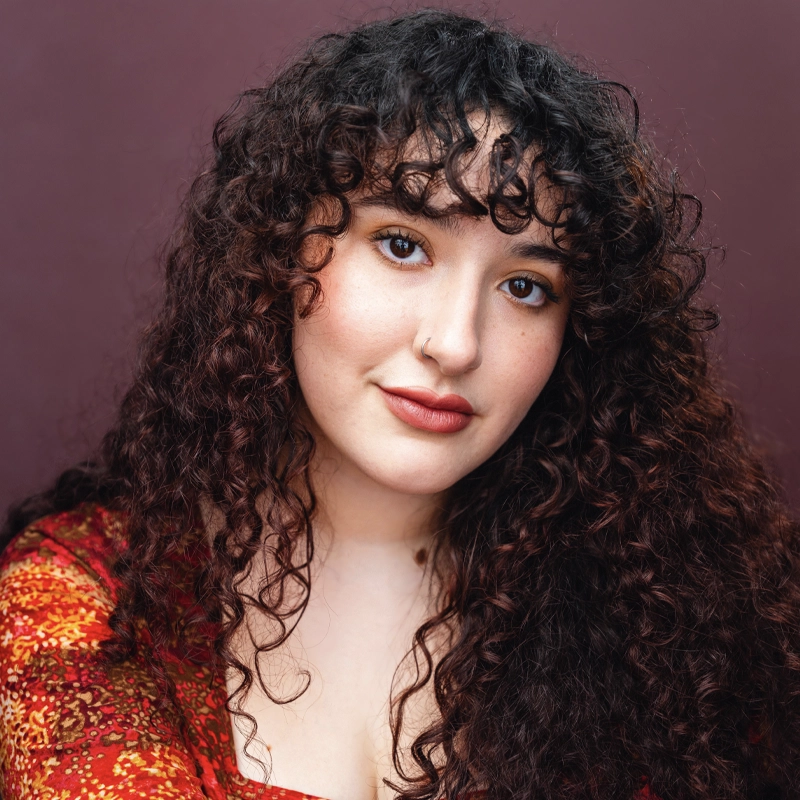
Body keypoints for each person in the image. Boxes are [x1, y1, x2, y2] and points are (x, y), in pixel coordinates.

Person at [0, 9, 797, 800]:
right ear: (282, 252)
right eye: (403, 244)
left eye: (525, 286)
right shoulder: (77, 603)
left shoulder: (672, 645)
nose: (455, 344)